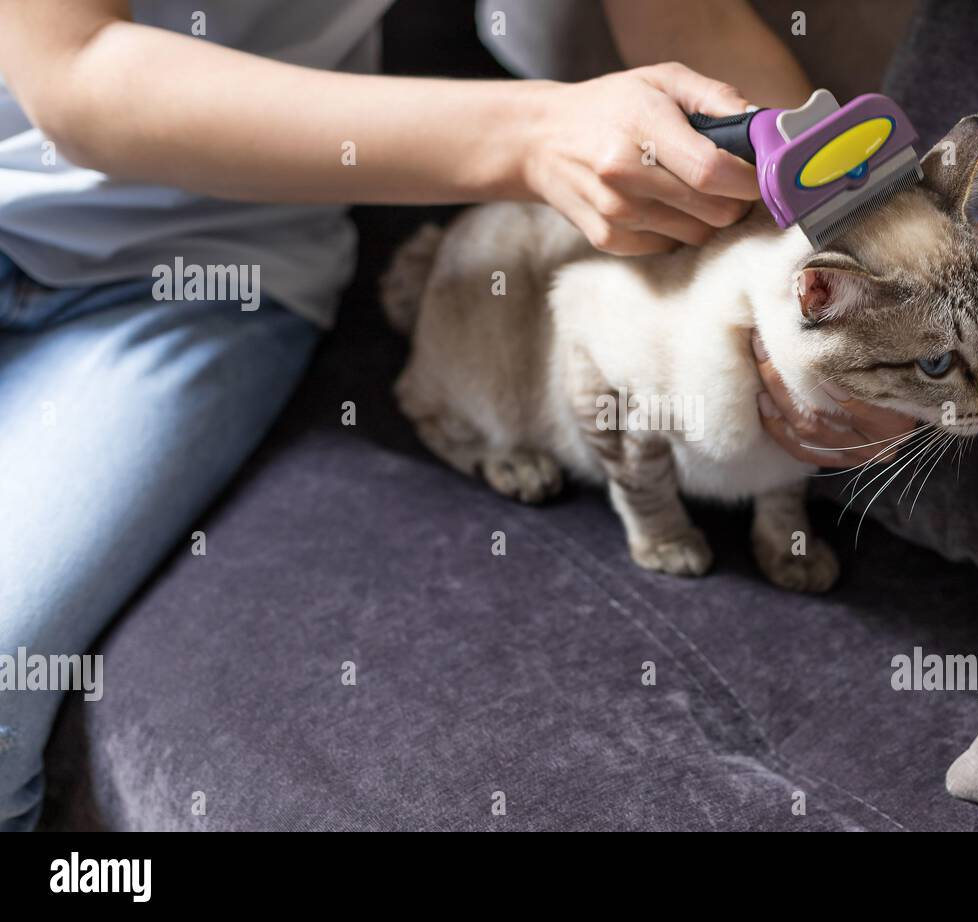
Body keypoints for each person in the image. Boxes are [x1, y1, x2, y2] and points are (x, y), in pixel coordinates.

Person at [0, 0, 913, 830]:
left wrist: (834, 264)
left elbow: (691, 26)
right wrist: (532, 137)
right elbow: (76, 76)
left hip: (187, 274)